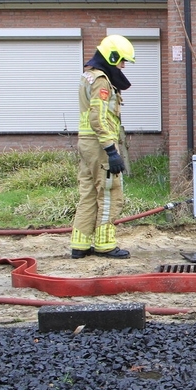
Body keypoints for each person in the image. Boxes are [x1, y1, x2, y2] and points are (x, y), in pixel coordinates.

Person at [70, 34, 135, 259]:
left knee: (88, 193)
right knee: (110, 193)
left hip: (87, 143)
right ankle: (105, 244)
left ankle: (80, 244)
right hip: (100, 145)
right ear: (112, 56)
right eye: (121, 61)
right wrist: (110, 149)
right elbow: (98, 117)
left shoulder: (87, 76)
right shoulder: (101, 81)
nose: (123, 66)